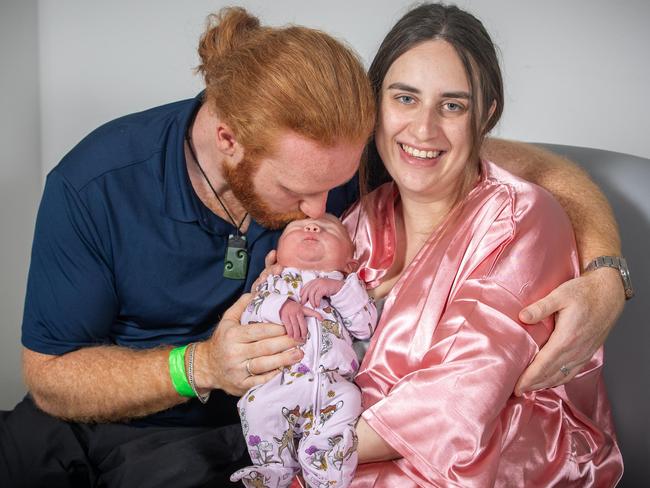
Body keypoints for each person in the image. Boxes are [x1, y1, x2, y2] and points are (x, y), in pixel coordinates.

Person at [0, 5, 627, 488]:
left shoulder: (339, 157)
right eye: (299, 192)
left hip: (246, 435)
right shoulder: (94, 184)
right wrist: (200, 367)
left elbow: (518, 171)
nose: (322, 212)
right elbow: (51, 377)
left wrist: (606, 273)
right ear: (229, 142)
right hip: (112, 409)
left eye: (335, 186)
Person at [334, 4, 623, 486]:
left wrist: (305, 452)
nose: (423, 130)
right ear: (375, 104)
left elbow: (460, 397)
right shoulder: (360, 219)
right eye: (405, 99)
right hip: (357, 450)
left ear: (485, 115)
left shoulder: (520, 218)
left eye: (452, 106)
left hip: (497, 458)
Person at [231, 214, 376, 488]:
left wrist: (340, 289)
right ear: (277, 256)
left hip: (332, 385)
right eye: (296, 229)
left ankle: (325, 474)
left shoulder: (347, 287)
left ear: (350, 262)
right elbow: (249, 314)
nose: (311, 227)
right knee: (255, 406)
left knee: (350, 401)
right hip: (279, 383)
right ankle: (273, 468)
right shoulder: (273, 284)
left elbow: (365, 327)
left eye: (329, 230)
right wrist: (281, 306)